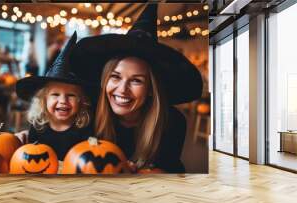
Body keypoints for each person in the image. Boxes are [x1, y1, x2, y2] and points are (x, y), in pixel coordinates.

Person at [70, 4, 203, 173]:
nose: (122, 90)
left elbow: (169, 173)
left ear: (150, 89)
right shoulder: (89, 113)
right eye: (115, 77)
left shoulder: (172, 122)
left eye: (136, 81)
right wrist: (29, 136)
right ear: (105, 80)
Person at [15, 32, 93, 161]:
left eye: (71, 95)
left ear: (82, 101)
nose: (63, 101)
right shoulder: (38, 127)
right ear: (43, 100)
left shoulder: (84, 130)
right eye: (55, 94)